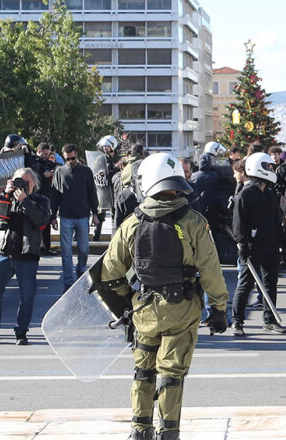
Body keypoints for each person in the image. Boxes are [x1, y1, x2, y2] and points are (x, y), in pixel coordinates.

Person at [96, 153, 228, 440]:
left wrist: (127, 301)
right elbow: (210, 270)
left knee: (143, 370)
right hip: (182, 310)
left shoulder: (131, 223)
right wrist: (218, 309)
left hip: (143, 310)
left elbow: (108, 273)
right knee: (171, 375)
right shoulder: (194, 222)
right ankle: (168, 433)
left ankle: (139, 429)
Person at [0, 168, 50, 345]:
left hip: (27, 255)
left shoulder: (41, 200)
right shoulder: (5, 197)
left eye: (26, 182)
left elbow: (42, 220)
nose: (21, 186)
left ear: (34, 184)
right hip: (4, 252)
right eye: (17, 182)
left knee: (27, 297)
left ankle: (21, 332)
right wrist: (5, 195)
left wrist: (25, 201)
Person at [230, 153, 286, 336]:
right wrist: (242, 243)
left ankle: (269, 321)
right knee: (246, 284)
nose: (271, 170)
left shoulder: (270, 193)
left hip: (270, 245)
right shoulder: (245, 194)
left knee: (271, 284)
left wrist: (281, 240)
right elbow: (238, 222)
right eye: (268, 167)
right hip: (253, 246)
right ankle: (237, 321)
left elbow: (276, 219)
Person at [50, 143, 99, 292]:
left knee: (83, 249)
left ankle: (81, 271)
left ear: (76, 155)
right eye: (67, 159)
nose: (70, 161)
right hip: (65, 216)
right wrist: (53, 216)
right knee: (66, 251)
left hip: (83, 215)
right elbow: (54, 195)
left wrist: (95, 213)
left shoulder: (86, 172)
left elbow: (92, 193)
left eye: (72, 158)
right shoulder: (59, 172)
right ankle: (68, 281)